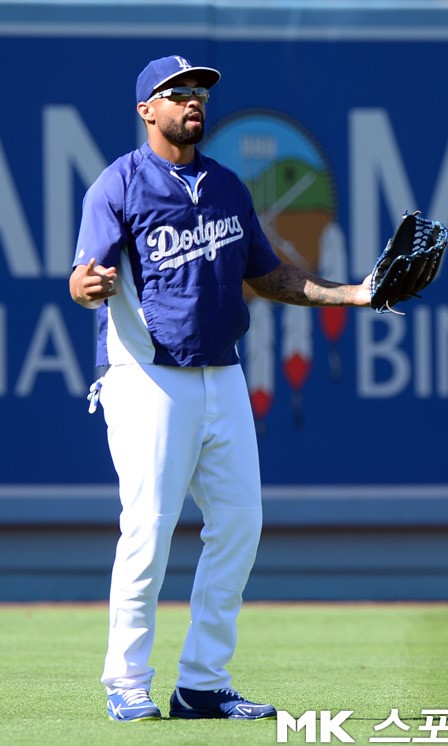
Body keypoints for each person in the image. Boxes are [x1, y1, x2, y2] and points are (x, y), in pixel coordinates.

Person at [69, 54, 371, 723]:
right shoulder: (118, 184)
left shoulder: (228, 186)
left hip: (222, 372)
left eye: (200, 91)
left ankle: (202, 682)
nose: (193, 100)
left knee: (238, 523)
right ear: (147, 109)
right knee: (148, 529)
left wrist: (356, 293)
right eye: (178, 92)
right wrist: (86, 285)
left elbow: (270, 276)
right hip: (147, 377)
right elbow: (84, 276)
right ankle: (126, 681)